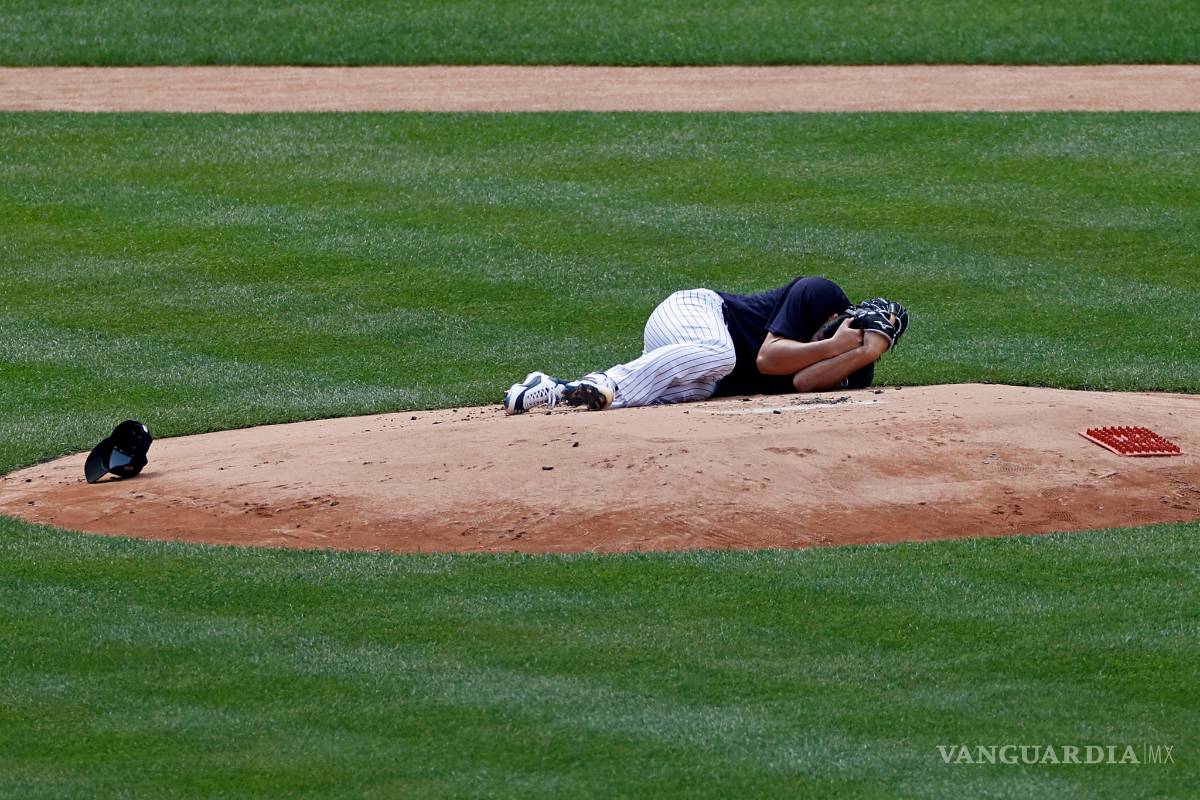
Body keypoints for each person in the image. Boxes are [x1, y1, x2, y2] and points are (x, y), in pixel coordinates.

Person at [503, 276, 907, 414]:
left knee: (658, 401)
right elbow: (768, 360)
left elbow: (803, 383)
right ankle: (604, 377)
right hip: (695, 314)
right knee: (723, 352)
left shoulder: (858, 365)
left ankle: (555, 389)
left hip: (704, 373)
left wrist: (859, 352)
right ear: (845, 315)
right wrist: (836, 344)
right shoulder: (818, 294)